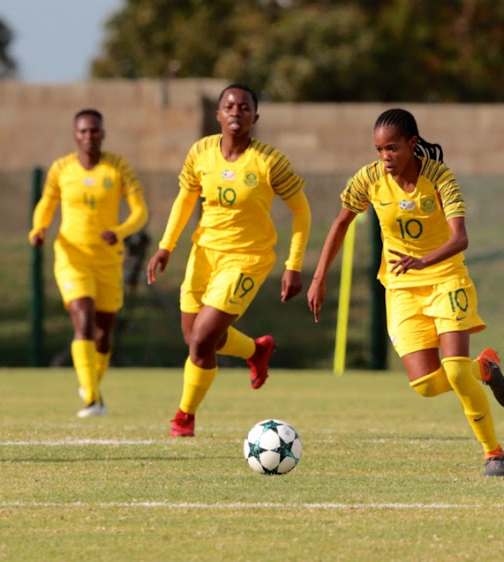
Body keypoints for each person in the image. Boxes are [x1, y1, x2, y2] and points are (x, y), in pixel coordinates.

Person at [307, 108, 504, 477]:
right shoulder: (369, 179)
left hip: (446, 279)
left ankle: (493, 454)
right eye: (379, 149)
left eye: (392, 149)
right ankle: (484, 367)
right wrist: (320, 276)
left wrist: (423, 262)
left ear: (412, 144)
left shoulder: (439, 177)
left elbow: (460, 238)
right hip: (401, 288)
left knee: (454, 372)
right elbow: (340, 224)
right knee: (425, 386)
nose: (385, 157)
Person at [147, 83, 311, 437]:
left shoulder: (270, 161)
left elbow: (302, 211)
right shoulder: (201, 152)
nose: (236, 113)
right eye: (229, 106)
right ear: (218, 114)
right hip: (203, 255)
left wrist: (293, 264)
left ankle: (184, 417)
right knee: (196, 339)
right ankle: (256, 350)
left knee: (202, 341)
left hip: (246, 260)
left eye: (244, 107)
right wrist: (166, 246)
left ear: (255, 116)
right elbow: (185, 199)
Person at [29, 109, 149, 417]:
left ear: (103, 134)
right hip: (72, 257)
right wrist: (39, 228)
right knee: (82, 318)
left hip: (108, 260)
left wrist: (120, 232)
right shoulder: (61, 169)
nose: (89, 136)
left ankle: (91, 383)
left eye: (95, 131)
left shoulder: (118, 167)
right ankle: (93, 400)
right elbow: (46, 203)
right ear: (75, 135)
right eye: (83, 131)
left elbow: (140, 212)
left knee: (103, 334)